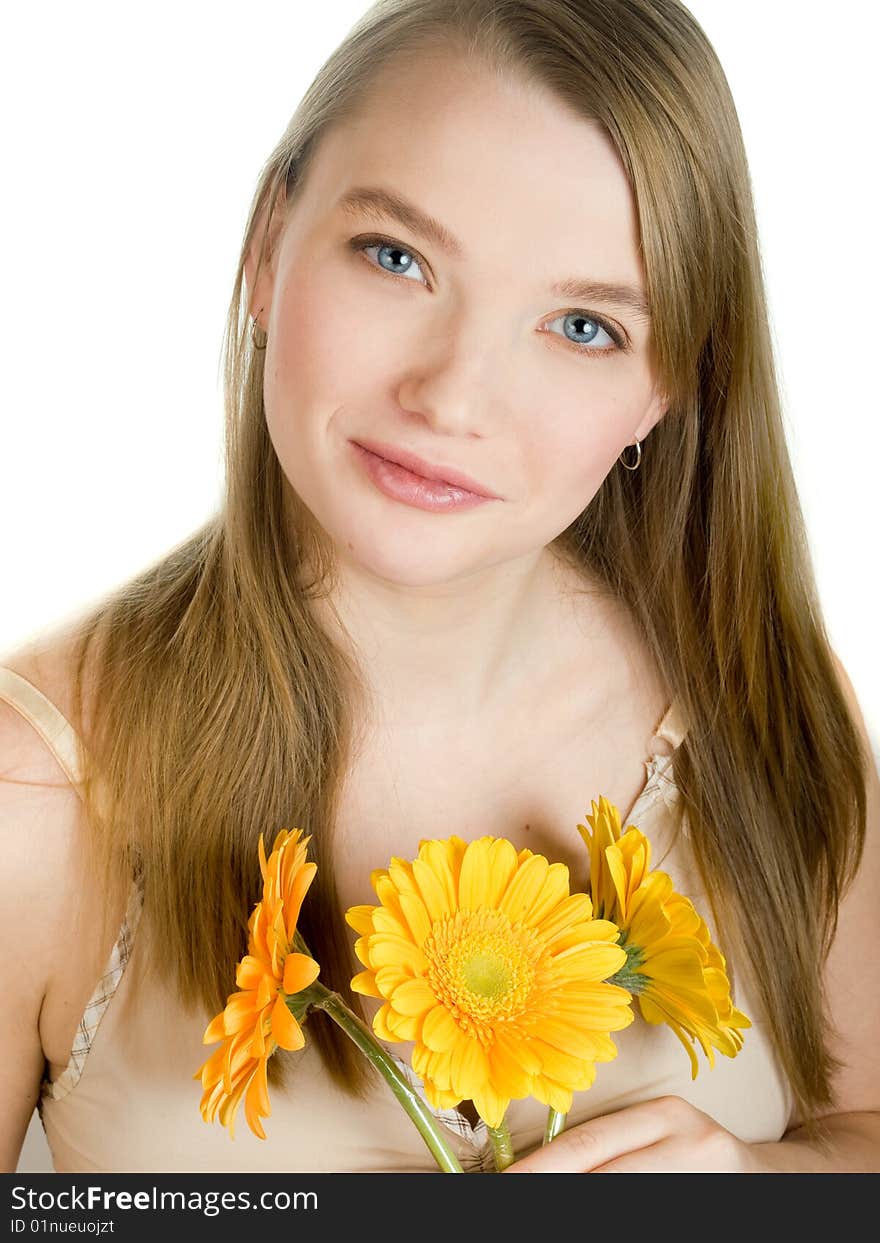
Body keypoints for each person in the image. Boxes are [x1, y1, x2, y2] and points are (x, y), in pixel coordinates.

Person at [1, 0, 878, 1175]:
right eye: (397, 257)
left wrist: (760, 1183)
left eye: (581, 325)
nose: (455, 397)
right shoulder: (34, 797)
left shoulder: (757, 701)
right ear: (267, 247)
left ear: (665, 391)